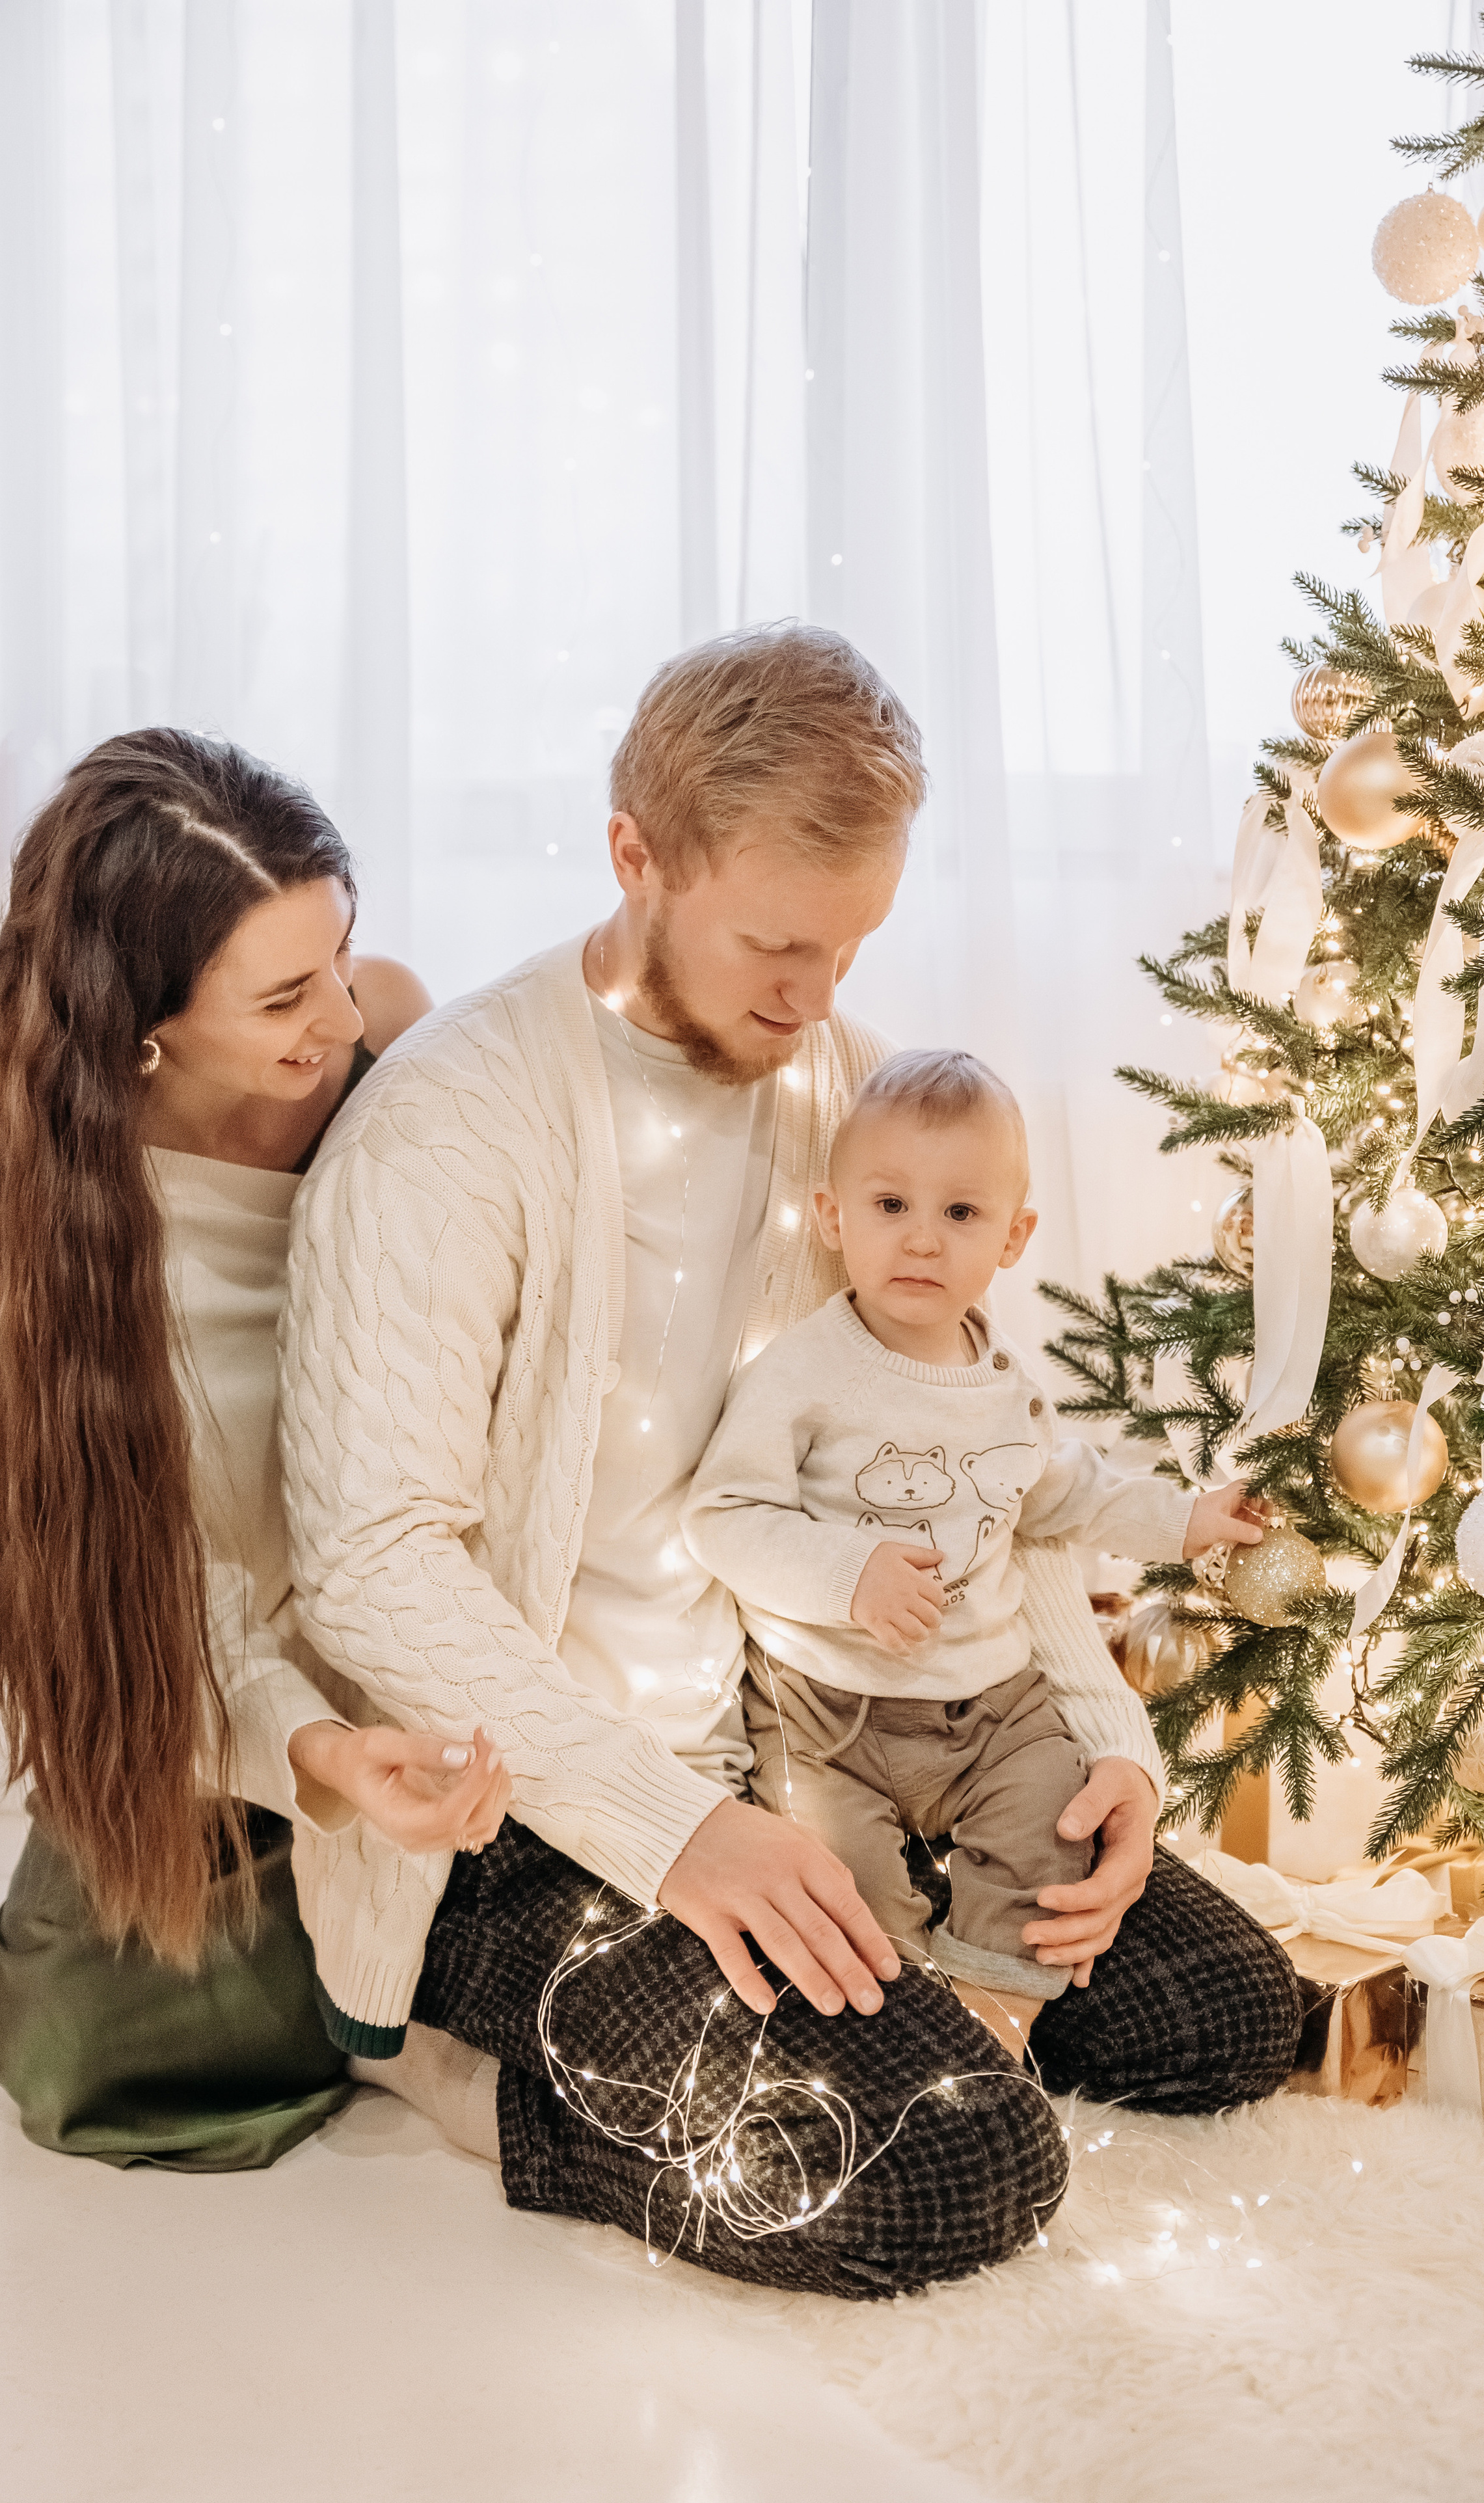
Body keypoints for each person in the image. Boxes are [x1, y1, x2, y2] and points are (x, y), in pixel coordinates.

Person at [280, 624, 1304, 2297]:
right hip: (520, 1823)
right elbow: (372, 1567)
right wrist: (676, 1832)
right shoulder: (448, 1129)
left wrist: (1103, 1742)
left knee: (1226, 2014)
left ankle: (868, 2023)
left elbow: (981, 1456)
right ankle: (472, 2069)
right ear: (635, 856)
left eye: (848, 945)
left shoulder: (842, 1093)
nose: (815, 996)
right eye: (774, 944)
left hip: (822, 1749)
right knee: (956, 2169)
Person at [0, 727, 510, 2171]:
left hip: (423, 1610)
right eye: (282, 997)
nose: (341, 1014)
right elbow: (156, 1603)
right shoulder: (78, 1251)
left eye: (339, 956)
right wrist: (326, 1755)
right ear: (146, 1026)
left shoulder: (383, 1030)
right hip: (225, 1677)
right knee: (102, 2058)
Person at [682, 1045, 1265, 2043]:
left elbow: (1064, 1494)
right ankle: (910, 2034)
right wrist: (848, 1574)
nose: (921, 1239)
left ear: (1013, 1236)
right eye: (889, 1206)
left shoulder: (1005, 1384)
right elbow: (723, 1516)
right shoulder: (804, 1373)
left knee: (1051, 1834)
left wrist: (1187, 1520)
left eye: (960, 1213)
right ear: (833, 1216)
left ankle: (994, 2031)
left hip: (994, 1708)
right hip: (829, 1714)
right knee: (842, 1900)